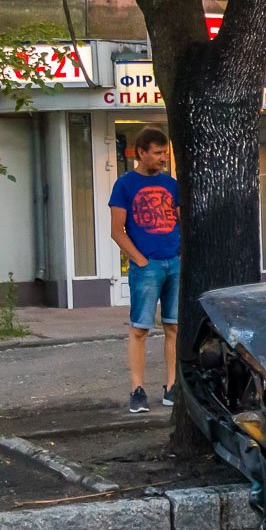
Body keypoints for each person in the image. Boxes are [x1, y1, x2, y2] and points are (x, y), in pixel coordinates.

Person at [107, 127, 180, 414]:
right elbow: (117, 230)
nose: (163, 158)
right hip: (146, 266)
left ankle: (172, 387)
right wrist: (139, 260)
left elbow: (177, 218)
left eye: (165, 153)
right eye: (158, 153)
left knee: (174, 327)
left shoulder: (171, 184)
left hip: (174, 262)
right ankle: (137, 389)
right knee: (140, 329)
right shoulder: (124, 185)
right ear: (141, 153)